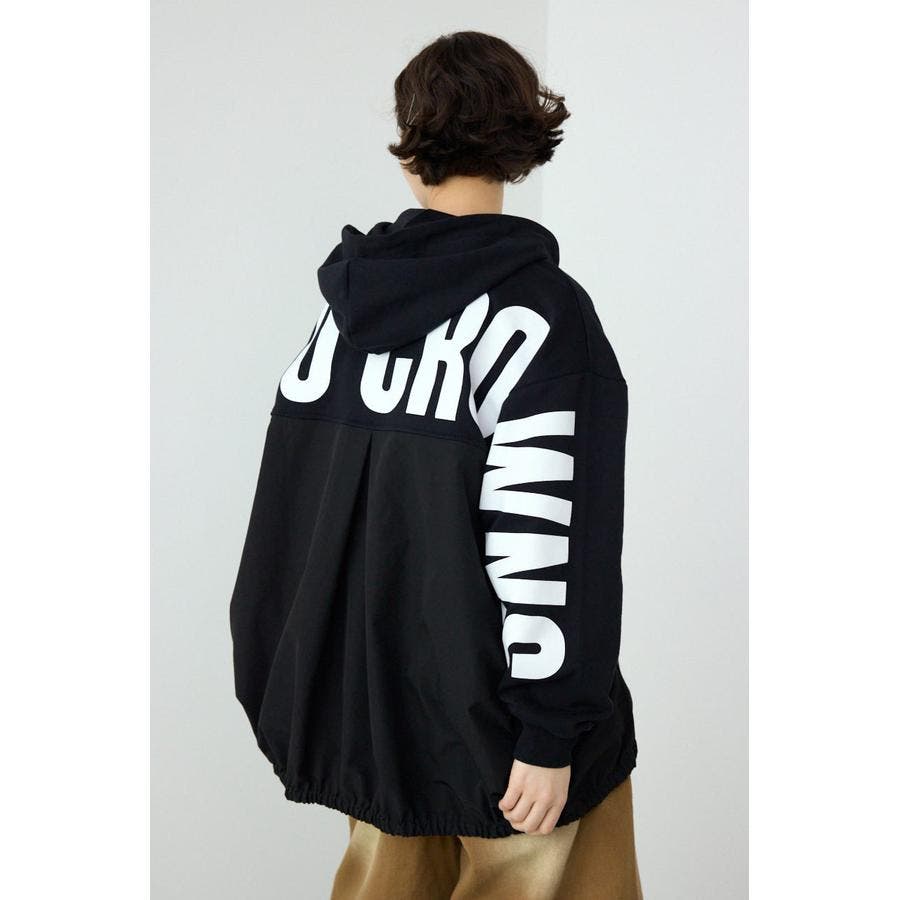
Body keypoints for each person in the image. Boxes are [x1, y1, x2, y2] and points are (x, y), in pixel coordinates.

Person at [230, 30, 641, 899]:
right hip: (511, 745)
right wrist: (552, 729)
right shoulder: (542, 321)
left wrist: (292, 686)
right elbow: (551, 532)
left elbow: (285, 519)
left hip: (375, 724)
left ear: (410, 145)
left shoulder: (340, 322)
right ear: (522, 144)